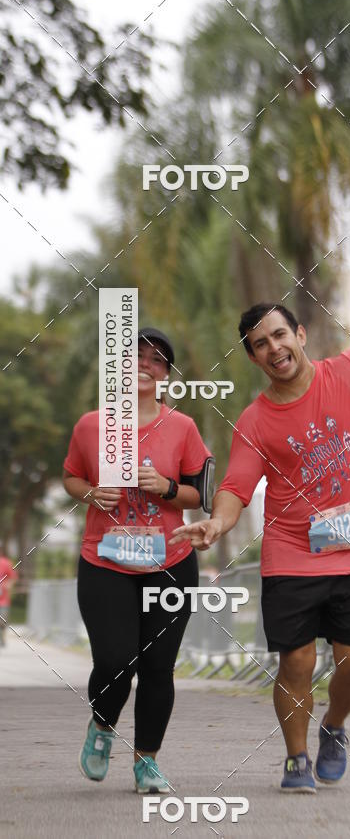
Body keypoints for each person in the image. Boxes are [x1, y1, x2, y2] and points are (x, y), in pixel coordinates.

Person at [172, 225, 350, 792]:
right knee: (297, 663)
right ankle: (296, 758)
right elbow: (236, 487)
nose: (274, 348)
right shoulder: (254, 421)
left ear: (300, 334)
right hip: (292, 557)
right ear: (253, 357)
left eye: (280, 335)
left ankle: (335, 726)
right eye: (260, 344)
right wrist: (218, 523)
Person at [63, 327, 213, 793]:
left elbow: (201, 494)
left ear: (166, 373)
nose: (146, 366)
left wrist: (167, 488)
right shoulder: (91, 425)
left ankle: (147, 761)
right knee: (113, 660)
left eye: (157, 360)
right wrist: (90, 493)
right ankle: (102, 727)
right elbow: (70, 478)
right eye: (137, 357)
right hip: (105, 561)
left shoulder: (183, 427)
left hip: (170, 562)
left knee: (156, 668)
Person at [0, 547, 17, 648]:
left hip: (3, 600)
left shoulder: (6, 563)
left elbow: (13, 578)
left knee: (2, 620)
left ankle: (2, 637)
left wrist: (8, 585)